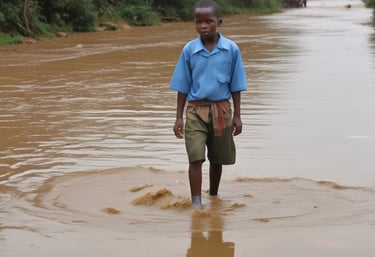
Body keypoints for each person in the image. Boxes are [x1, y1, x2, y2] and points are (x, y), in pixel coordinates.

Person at [170, 0, 247, 209]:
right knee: (195, 157)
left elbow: (236, 85)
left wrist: (238, 115)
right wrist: (178, 117)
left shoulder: (231, 50)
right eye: (198, 22)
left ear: (218, 22)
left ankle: (213, 196)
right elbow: (182, 85)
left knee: (217, 158)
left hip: (222, 110)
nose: (203, 26)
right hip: (195, 111)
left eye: (208, 21)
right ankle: (197, 205)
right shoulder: (189, 50)